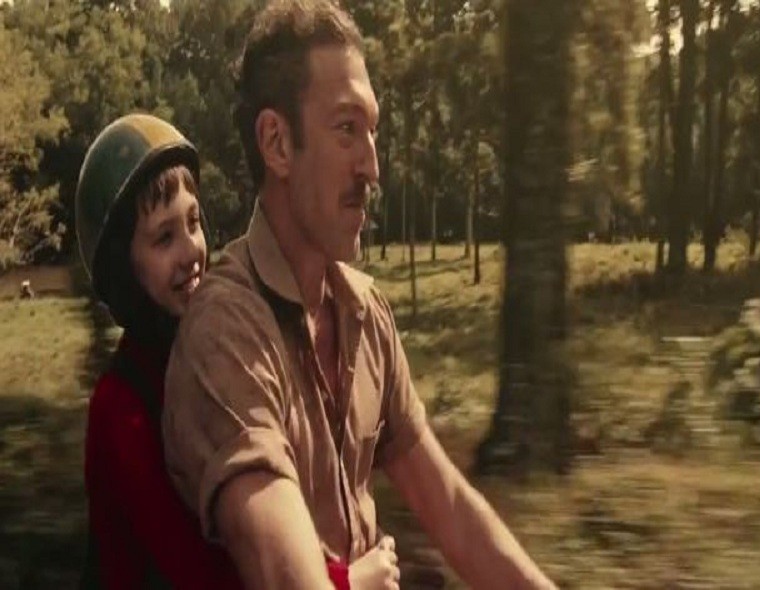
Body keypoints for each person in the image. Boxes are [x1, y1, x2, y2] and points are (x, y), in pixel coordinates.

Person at [162, 2, 558, 589]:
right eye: (347, 129)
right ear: (276, 143)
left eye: (373, 131)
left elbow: (450, 508)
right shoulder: (227, 332)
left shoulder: (366, 314)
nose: (372, 166)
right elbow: (287, 577)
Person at [75, 113, 396, 590]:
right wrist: (344, 581)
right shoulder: (122, 408)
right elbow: (202, 567)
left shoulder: (220, 353)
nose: (191, 251)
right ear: (124, 271)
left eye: (193, 223)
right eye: (164, 238)